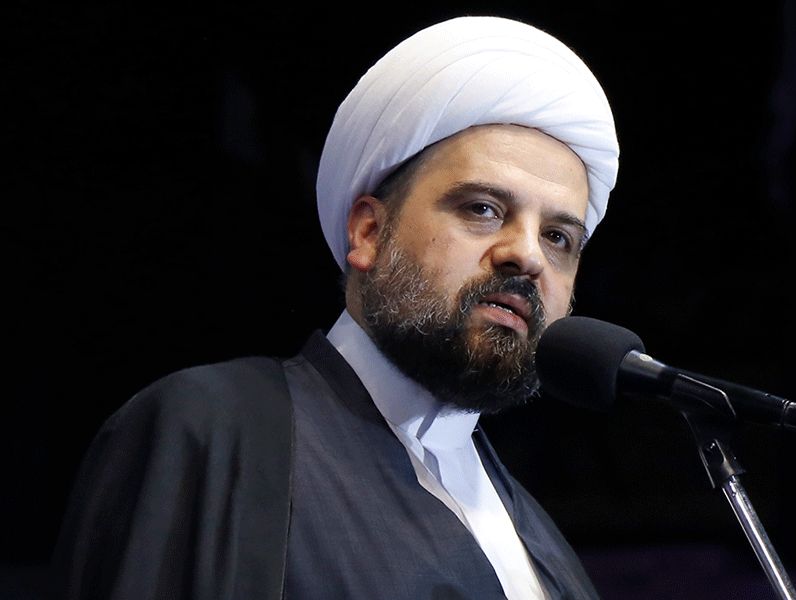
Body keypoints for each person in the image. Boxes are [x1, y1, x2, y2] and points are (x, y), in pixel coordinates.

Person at [51, 15, 619, 600]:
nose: (527, 255)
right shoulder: (212, 433)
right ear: (369, 232)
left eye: (558, 237)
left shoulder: (543, 545)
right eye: (482, 209)